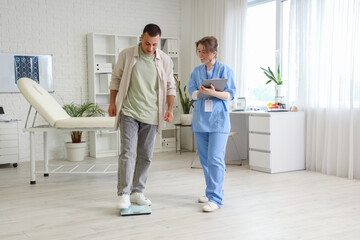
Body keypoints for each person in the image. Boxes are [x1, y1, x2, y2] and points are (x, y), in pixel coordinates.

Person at [108, 23, 176, 209]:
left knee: (145, 155)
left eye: (154, 44)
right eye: (147, 43)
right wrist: (112, 102)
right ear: (141, 38)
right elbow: (116, 78)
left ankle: (137, 192)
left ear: (159, 41)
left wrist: (169, 109)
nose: (150, 48)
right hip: (129, 111)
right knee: (128, 153)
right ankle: (123, 193)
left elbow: (170, 85)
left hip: (152, 114)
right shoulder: (128, 54)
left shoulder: (165, 60)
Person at [188, 36, 236, 212]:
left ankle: (216, 198)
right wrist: (201, 93)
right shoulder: (196, 71)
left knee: (215, 159)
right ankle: (210, 193)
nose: (200, 54)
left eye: (204, 51)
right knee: (205, 160)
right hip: (201, 122)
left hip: (218, 122)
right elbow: (191, 93)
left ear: (213, 52)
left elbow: (230, 95)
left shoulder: (225, 70)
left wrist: (214, 93)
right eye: (199, 51)